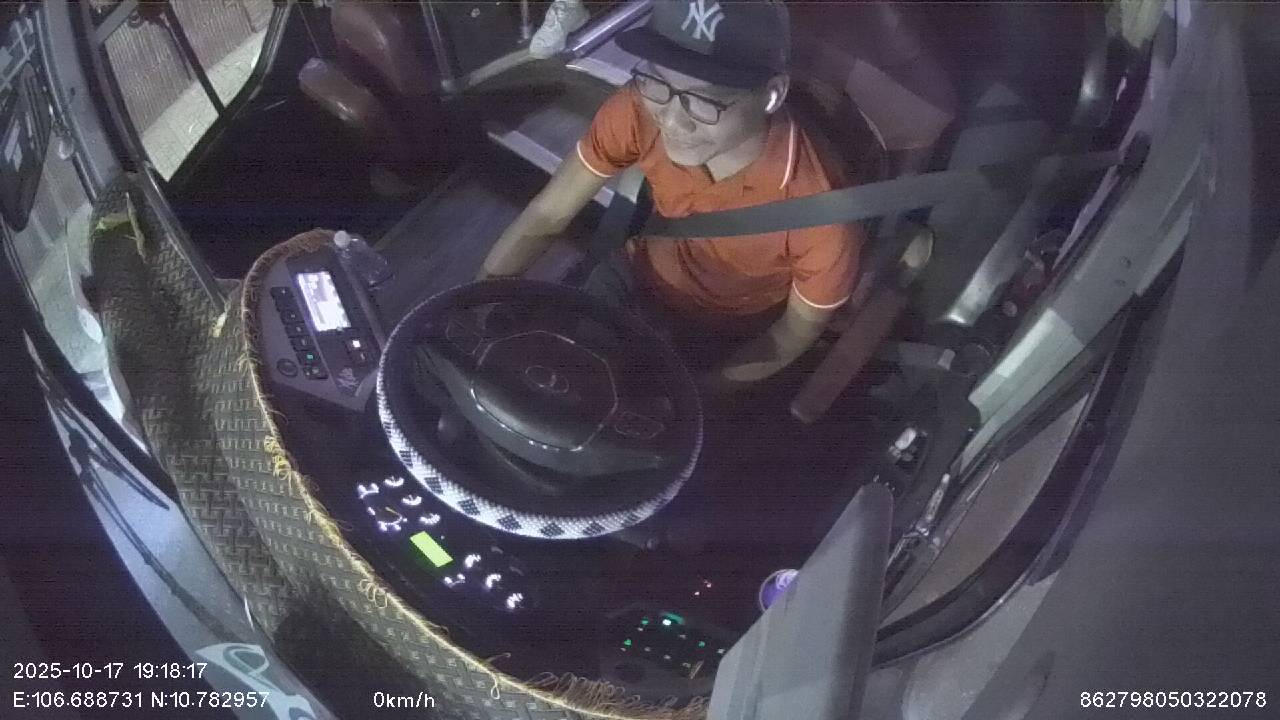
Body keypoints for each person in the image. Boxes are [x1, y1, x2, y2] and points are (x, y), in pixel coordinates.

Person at [478, 0, 866, 396]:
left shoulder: (821, 211)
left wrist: (702, 394)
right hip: (634, 276)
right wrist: (479, 297)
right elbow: (549, 212)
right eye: (658, 82)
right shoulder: (639, 109)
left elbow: (789, 336)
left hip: (723, 331)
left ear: (771, 94)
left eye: (706, 100)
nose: (673, 121)